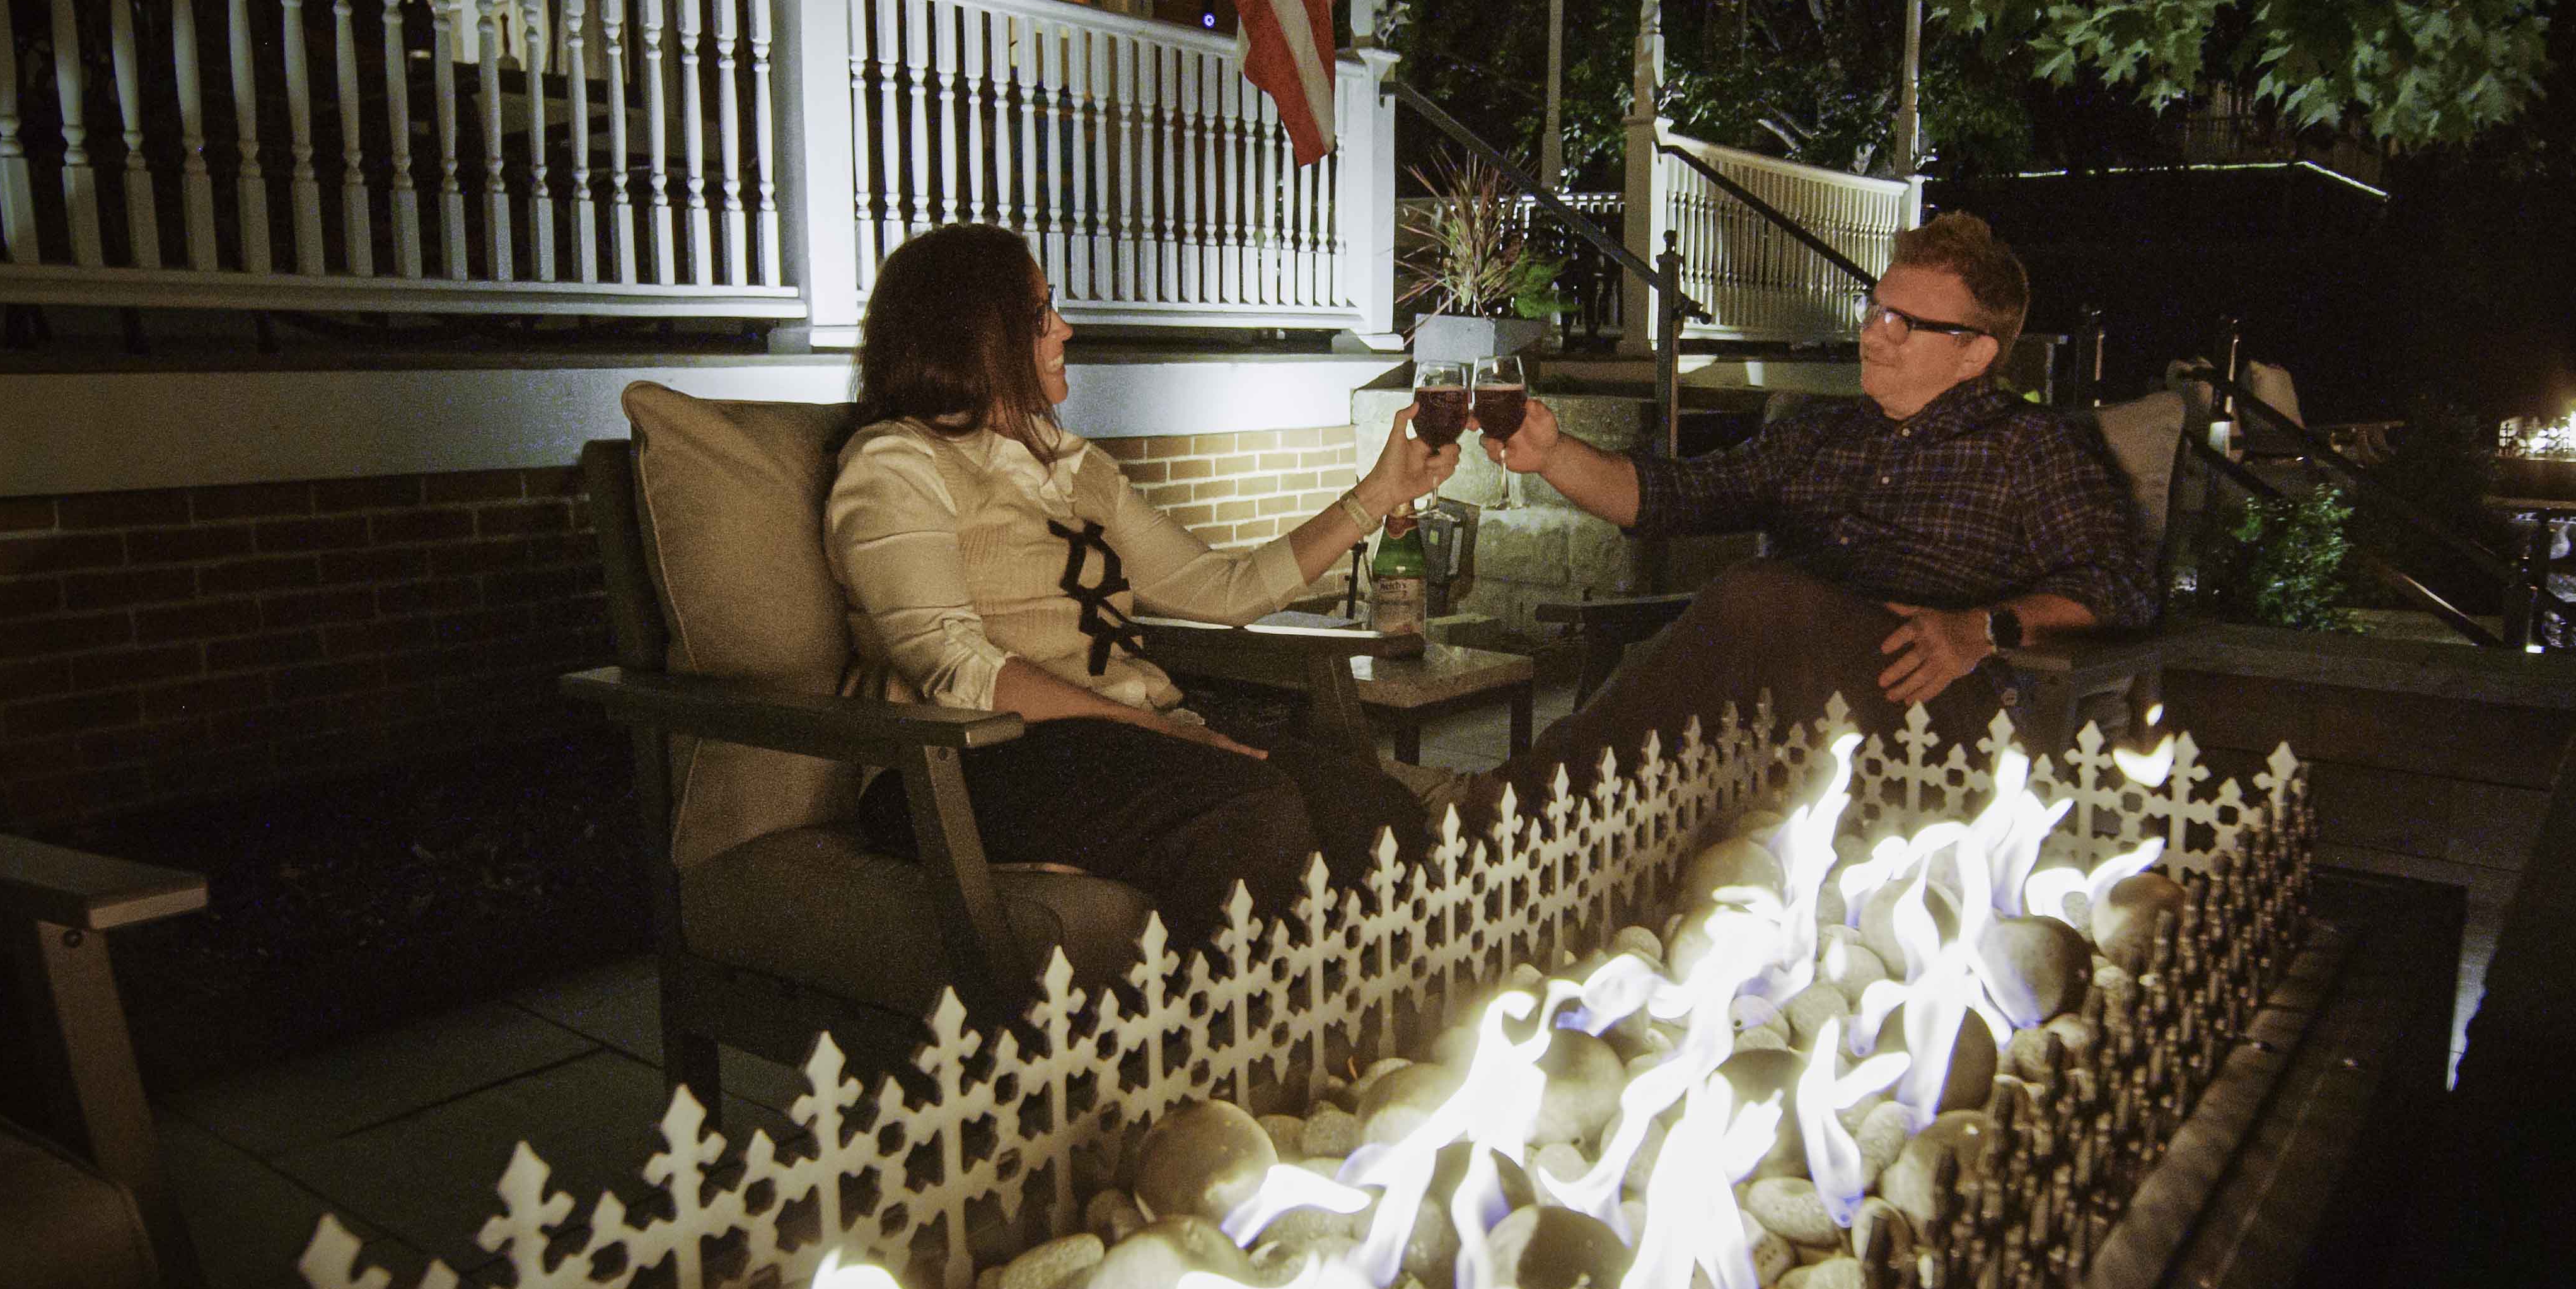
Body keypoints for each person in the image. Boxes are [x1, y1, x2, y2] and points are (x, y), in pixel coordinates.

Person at [827, 223, 1459, 954]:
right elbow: (958, 669)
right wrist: (1156, 727)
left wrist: (1377, 495)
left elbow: (1224, 589)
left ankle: (1365, 1030)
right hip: (969, 763)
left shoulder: (1073, 466)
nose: (1064, 328)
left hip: (1119, 743)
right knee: (1254, 814)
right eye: (1039, 317)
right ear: (976, 337)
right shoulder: (895, 465)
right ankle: (1224, 1051)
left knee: (1373, 807)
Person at [1477, 211, 2158, 807]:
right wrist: (1552, 453)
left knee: (1759, 595)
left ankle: (1512, 807)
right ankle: (1536, 814)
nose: (1874, 334)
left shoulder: (2035, 448)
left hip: (1935, 708)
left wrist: (1981, 630)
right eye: (1874, 309)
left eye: (1905, 323)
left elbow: (2118, 589)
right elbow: (1671, 496)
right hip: (1789, 697)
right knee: (1753, 608)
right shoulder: (1821, 434)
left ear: (1974, 353)